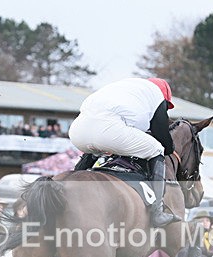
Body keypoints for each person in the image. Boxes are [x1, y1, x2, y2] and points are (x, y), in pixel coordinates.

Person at [68, 77, 179, 227]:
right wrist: (170, 148)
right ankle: (157, 211)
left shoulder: (125, 88)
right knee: (156, 149)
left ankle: (70, 183)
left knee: (96, 148)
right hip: (107, 130)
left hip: (77, 131)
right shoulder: (156, 96)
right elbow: (162, 135)